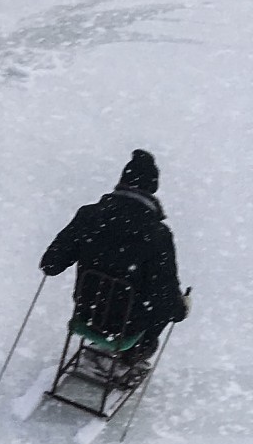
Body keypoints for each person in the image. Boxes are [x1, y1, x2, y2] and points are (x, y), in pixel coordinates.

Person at [40, 150, 189, 373]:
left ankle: (103, 345)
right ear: (152, 190)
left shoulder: (89, 216)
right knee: (164, 305)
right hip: (127, 325)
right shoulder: (157, 234)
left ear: (121, 182)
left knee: (149, 298)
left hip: (87, 313)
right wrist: (181, 308)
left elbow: (50, 265)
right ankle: (130, 355)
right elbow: (165, 294)